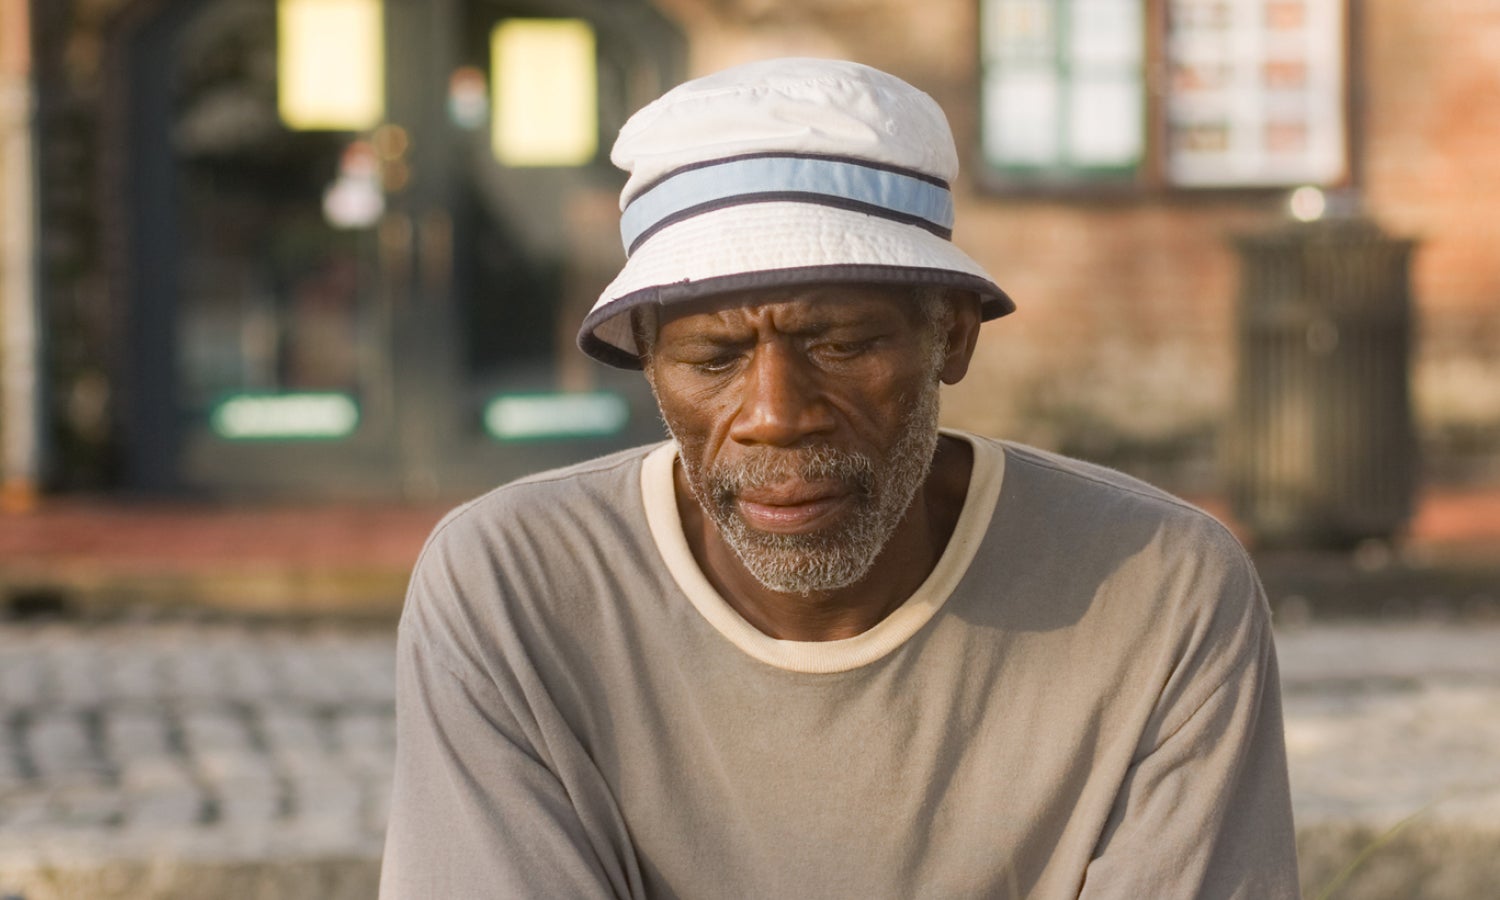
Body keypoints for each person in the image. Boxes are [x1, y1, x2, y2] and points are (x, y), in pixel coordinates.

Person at [379, 58, 1300, 899]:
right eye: (712, 359)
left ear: (951, 335)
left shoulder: (1159, 591)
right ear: (650, 362)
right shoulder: (515, 588)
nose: (777, 414)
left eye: (842, 344)